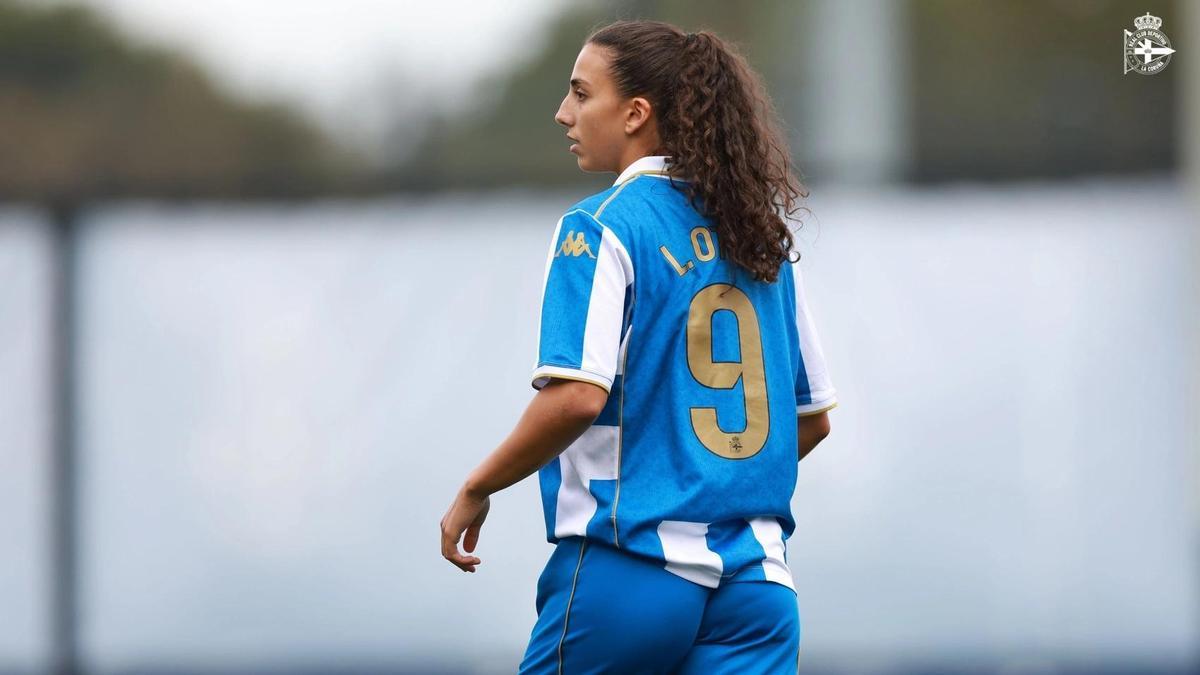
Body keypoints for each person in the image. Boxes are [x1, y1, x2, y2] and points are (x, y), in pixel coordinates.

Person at [440, 19, 837, 674]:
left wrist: (479, 485)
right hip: (758, 590)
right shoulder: (760, 233)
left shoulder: (600, 226)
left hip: (633, 572)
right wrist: (706, 478)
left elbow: (574, 398)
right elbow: (813, 418)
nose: (564, 113)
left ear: (635, 113)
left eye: (580, 93)